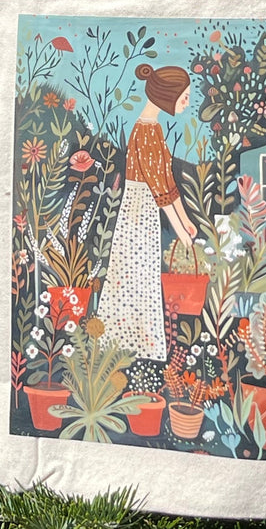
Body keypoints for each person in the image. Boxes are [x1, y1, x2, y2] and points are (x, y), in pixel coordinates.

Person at [96, 63, 196, 360]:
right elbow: (158, 188)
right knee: (133, 277)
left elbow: (167, 181)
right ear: (167, 95)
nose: (187, 103)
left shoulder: (151, 128)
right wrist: (180, 232)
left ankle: (134, 347)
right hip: (139, 211)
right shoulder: (147, 131)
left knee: (140, 277)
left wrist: (187, 220)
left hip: (145, 208)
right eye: (184, 96)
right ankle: (131, 347)